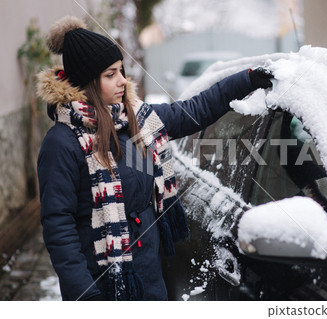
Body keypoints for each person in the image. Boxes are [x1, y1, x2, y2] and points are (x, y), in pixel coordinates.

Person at [36, 15, 273, 301]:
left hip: (149, 274)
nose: (123, 80)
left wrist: (247, 79)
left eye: (121, 71)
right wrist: (84, 294)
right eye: (110, 74)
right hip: (104, 283)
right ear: (87, 82)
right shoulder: (62, 142)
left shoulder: (136, 118)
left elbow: (193, 112)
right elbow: (59, 227)